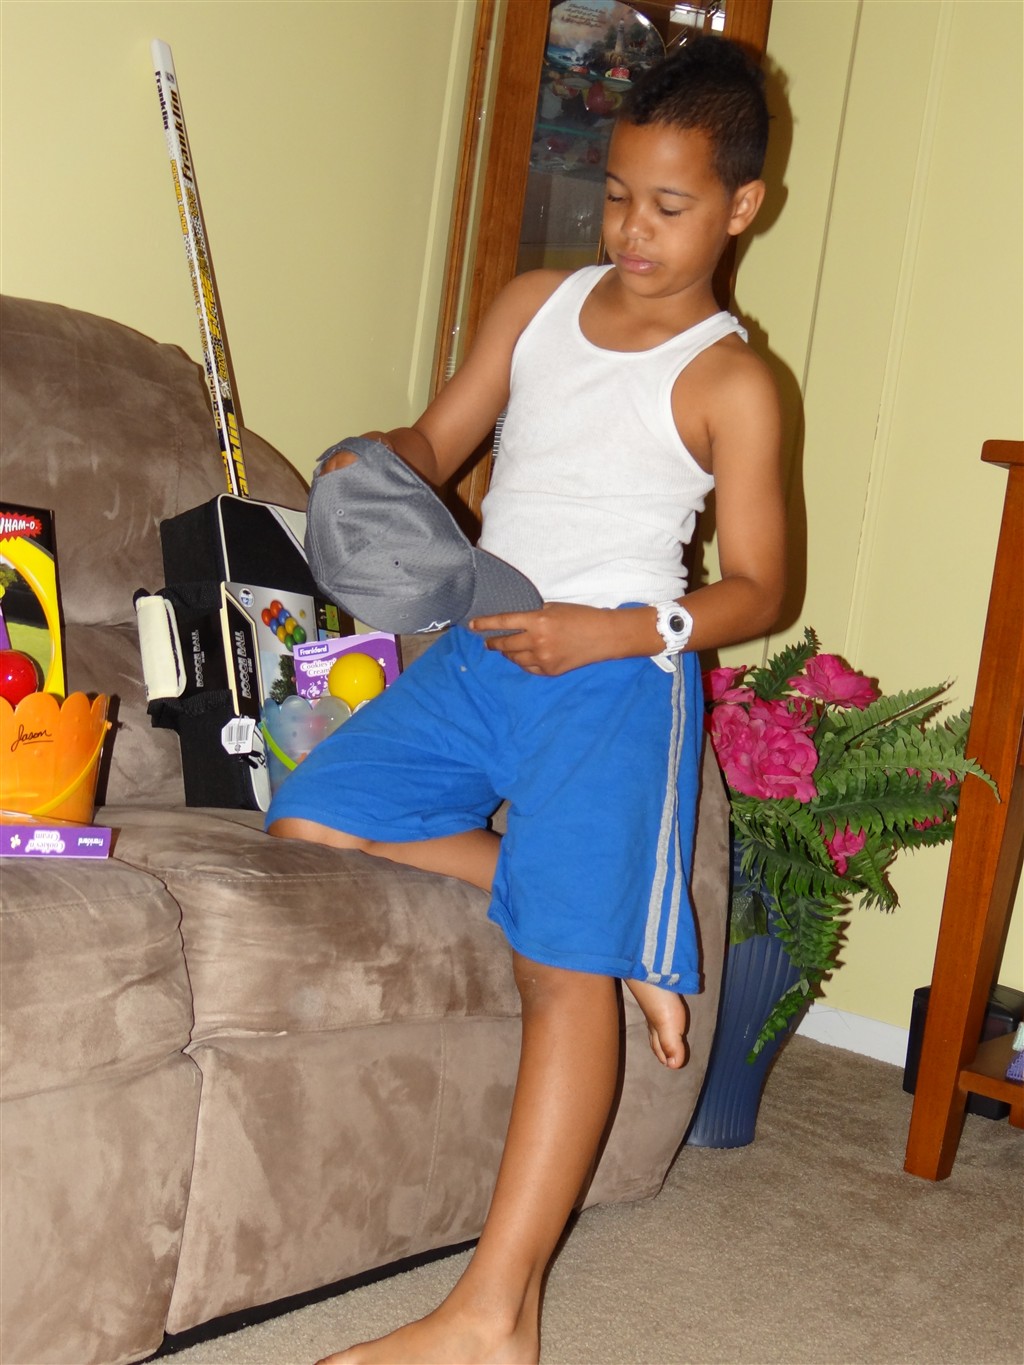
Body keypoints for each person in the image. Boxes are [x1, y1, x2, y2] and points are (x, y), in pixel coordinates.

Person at [269, 34, 784, 1365]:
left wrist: (613, 629)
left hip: (612, 683)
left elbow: (761, 586)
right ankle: (609, 911)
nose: (632, 230)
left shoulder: (732, 379)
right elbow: (439, 442)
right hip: (482, 648)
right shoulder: (537, 305)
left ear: (741, 207)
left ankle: (491, 1318)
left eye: (668, 205)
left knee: (561, 981)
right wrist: (371, 462)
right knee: (314, 813)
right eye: (615, 195)